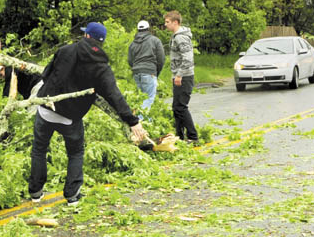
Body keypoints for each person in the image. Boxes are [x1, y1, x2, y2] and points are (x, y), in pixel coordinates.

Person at [28, 22, 148, 205]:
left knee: (39, 149)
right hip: (70, 117)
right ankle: (72, 196)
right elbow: (114, 96)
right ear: (100, 42)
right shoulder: (102, 67)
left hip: (46, 108)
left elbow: (45, 74)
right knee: (75, 153)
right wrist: (133, 122)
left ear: (86, 36)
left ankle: (36, 193)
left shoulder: (66, 50)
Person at [164, 11, 199, 143]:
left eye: (167, 22)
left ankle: (193, 137)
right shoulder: (175, 36)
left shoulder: (181, 37)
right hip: (178, 76)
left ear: (175, 22)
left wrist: (179, 75)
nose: (165, 24)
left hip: (185, 76)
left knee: (181, 107)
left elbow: (188, 59)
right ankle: (179, 136)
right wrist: (174, 75)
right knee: (176, 107)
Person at [128, 20, 165, 113]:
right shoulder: (155, 40)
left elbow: (130, 61)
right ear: (148, 29)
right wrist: (156, 72)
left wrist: (136, 69)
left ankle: (139, 120)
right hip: (150, 72)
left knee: (141, 99)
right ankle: (140, 122)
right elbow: (161, 59)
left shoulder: (132, 44)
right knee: (148, 99)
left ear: (138, 30)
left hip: (136, 73)